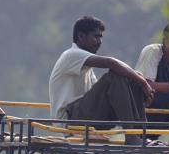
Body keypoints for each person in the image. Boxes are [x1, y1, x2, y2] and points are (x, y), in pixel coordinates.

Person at [49, 16, 154, 144]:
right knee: (115, 76)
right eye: (96, 37)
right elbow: (112, 63)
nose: (99, 42)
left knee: (132, 76)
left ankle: (139, 134)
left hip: (89, 119)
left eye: (100, 37)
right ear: (81, 36)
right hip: (70, 121)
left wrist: (137, 82)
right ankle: (131, 136)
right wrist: (143, 83)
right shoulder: (70, 55)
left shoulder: (87, 69)